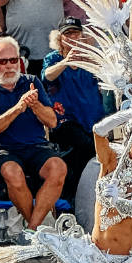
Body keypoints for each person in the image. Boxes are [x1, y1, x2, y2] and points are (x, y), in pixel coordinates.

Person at [0, 35, 66, 231]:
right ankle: (39, 231)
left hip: (36, 146)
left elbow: (51, 121)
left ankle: (33, 229)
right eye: (3, 61)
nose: (9, 66)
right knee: (12, 172)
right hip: (4, 150)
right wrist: (18, 108)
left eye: (13, 60)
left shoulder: (31, 82)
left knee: (58, 168)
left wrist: (35, 106)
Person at [42, 17, 105, 197]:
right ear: (60, 38)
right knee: (85, 148)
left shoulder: (91, 55)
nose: (72, 37)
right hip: (66, 120)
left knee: (92, 153)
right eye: (67, 34)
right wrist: (65, 62)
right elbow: (47, 76)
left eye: (75, 33)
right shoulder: (53, 58)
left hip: (92, 118)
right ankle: (76, 197)